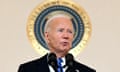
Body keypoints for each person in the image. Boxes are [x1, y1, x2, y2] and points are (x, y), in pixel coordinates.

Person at [18, 14, 96, 72]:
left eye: (70, 31)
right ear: (47, 36)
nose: (66, 36)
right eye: (61, 30)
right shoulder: (28, 69)